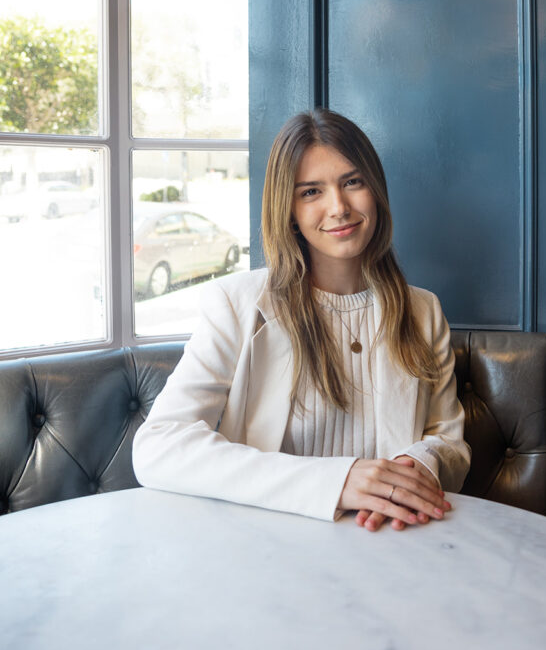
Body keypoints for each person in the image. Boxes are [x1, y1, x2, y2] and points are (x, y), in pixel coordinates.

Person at [133, 109, 470, 531]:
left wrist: (415, 466)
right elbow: (158, 447)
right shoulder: (236, 304)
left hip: (392, 542)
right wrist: (339, 481)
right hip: (269, 544)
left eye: (352, 182)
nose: (339, 207)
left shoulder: (422, 310)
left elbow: (447, 438)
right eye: (311, 192)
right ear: (288, 209)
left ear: (375, 189)